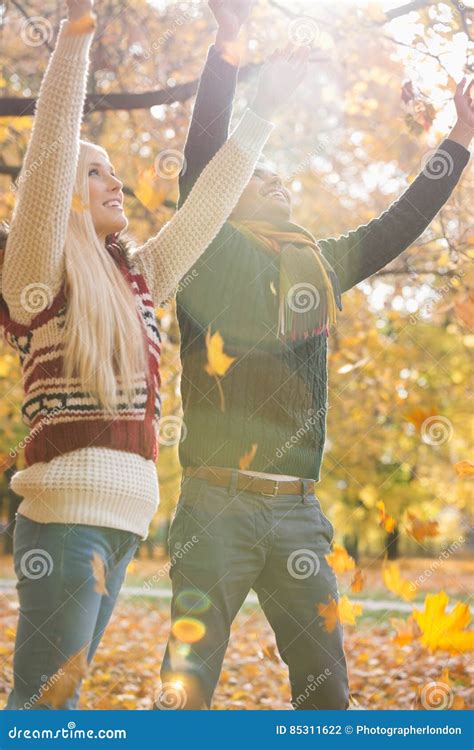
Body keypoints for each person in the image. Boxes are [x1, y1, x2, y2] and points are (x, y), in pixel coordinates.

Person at [158, 0, 473, 711]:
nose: (277, 181)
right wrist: (228, 48)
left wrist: (459, 139)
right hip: (215, 504)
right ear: (227, 201)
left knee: (327, 692)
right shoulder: (207, 251)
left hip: (298, 512)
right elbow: (204, 157)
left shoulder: (319, 267)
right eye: (260, 178)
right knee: (186, 690)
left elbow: (397, 225)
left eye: (279, 177)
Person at [0, 0, 308, 709]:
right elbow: (50, 151)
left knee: (55, 706)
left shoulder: (138, 277)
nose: (117, 185)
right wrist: (78, 33)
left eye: (115, 173)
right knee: (44, 710)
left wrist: (262, 105)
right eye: (98, 174)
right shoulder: (38, 278)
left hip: (125, 523)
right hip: (67, 521)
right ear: (67, 195)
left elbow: (207, 203)